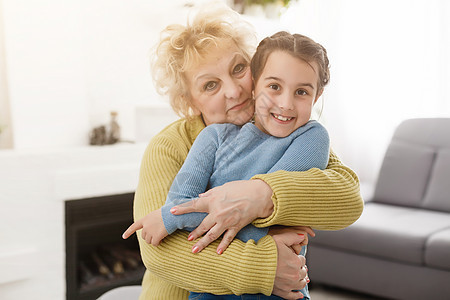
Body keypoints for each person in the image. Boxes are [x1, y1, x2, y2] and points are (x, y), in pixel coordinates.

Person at [130, 3, 363, 300]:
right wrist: (266, 267)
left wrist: (263, 195)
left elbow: (348, 200)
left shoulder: (285, 127)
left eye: (238, 69)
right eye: (211, 85)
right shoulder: (169, 145)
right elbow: (160, 252)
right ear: (189, 101)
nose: (234, 91)